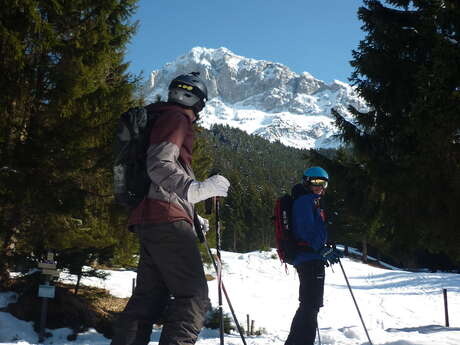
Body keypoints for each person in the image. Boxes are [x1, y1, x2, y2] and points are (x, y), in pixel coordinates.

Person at [111, 72, 230, 345]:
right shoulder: (177, 118)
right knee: (193, 297)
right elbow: (159, 165)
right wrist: (195, 190)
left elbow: (160, 175)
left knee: (148, 300)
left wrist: (192, 214)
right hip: (165, 217)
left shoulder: (156, 117)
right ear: (200, 103)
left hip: (148, 217)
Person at [285, 166, 342, 345]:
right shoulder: (305, 201)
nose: (319, 186)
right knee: (310, 306)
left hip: (311, 258)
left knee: (310, 305)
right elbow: (304, 230)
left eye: (323, 183)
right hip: (308, 258)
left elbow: (314, 229)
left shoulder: (313, 201)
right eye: (315, 182)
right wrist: (320, 248)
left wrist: (325, 244)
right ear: (306, 182)